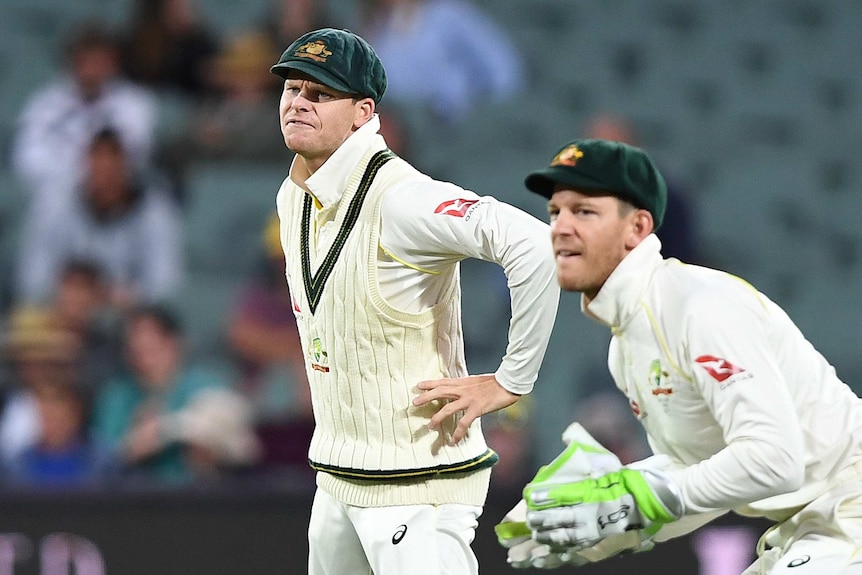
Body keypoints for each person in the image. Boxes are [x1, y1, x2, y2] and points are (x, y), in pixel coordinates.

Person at [269, 27, 559, 575]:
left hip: (417, 484)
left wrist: (510, 380)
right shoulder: (293, 196)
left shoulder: (403, 199)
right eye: (292, 89)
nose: (298, 103)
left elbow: (535, 247)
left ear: (363, 112)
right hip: (337, 478)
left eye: (320, 93)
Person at [498, 138, 862, 573]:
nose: (560, 227)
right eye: (555, 212)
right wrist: (612, 526)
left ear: (637, 228)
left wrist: (637, 495)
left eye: (584, 211)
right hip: (811, 524)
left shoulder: (699, 306)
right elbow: (703, 476)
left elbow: (774, 461)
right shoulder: (626, 344)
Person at [14, 128, 184, 307]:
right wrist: (66, 297)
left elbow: (166, 286)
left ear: (128, 167)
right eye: (97, 161)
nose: (104, 172)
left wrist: (130, 297)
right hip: (60, 313)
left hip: (125, 318)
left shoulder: (156, 213)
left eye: (113, 163)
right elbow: (32, 277)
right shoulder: (55, 204)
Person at [356, 0, 524, 123]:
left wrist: (474, 109)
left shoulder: (448, 15)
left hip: (450, 124)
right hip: (399, 127)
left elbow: (503, 72)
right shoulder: (370, 27)